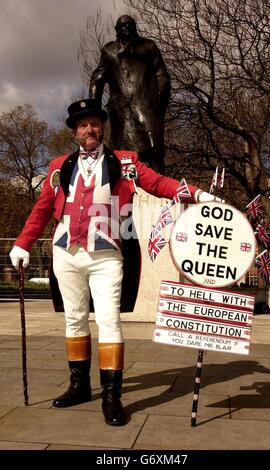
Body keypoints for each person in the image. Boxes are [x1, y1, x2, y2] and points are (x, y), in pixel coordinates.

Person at [10, 99, 221, 427]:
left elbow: (158, 183)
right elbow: (41, 209)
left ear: (102, 127)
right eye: (82, 125)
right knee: (74, 321)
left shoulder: (125, 161)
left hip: (107, 255)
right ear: (75, 132)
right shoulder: (58, 166)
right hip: (66, 253)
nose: (89, 129)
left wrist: (198, 194)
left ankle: (112, 395)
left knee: (109, 322)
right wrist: (23, 243)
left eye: (94, 123)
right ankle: (79, 386)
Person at [89, 15, 171, 174]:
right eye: (122, 25)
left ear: (134, 27)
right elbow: (97, 79)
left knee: (155, 151)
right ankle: (122, 194)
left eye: (129, 24)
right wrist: (94, 113)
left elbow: (162, 75)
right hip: (122, 111)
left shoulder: (148, 47)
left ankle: (161, 192)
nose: (126, 27)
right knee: (122, 157)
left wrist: (159, 103)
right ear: (116, 30)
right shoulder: (109, 51)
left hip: (148, 107)